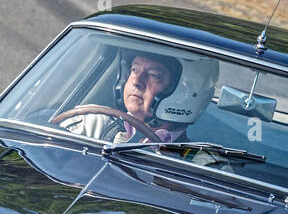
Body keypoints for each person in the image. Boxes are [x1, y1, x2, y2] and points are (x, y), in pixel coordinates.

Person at [61, 51, 219, 144]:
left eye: (154, 75)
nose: (136, 81)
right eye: (135, 69)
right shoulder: (90, 125)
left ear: (184, 93)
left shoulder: (202, 166)